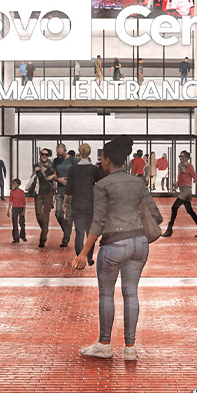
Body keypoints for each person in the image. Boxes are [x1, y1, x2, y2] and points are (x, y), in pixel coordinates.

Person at [71, 137, 160, 359]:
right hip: (139, 244)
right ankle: (130, 348)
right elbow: (155, 214)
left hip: (114, 245)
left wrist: (83, 253)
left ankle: (104, 344)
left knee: (107, 294)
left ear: (107, 159)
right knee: (131, 294)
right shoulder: (138, 183)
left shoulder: (102, 185)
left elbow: (98, 222)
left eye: (101, 157)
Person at [67, 143, 101, 266]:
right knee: (90, 232)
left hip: (77, 204)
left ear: (79, 153)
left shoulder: (73, 169)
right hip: (90, 204)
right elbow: (101, 184)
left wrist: (64, 203)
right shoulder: (94, 170)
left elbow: (68, 189)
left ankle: (79, 256)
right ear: (89, 153)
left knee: (79, 233)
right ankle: (89, 256)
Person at [166, 150, 197, 237]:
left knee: (174, 207)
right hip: (182, 190)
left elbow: (196, 178)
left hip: (186, 191)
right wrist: (177, 184)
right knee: (190, 210)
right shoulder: (180, 166)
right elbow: (182, 178)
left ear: (187, 158)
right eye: (180, 156)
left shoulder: (189, 166)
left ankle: (169, 229)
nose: (181, 158)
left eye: (183, 156)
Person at [30, 149, 59, 247]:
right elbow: (32, 177)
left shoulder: (52, 166)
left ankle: (43, 239)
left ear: (49, 155)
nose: (44, 156)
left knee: (46, 216)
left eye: (46, 154)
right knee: (38, 215)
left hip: (49, 193)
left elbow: (56, 176)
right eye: (42, 154)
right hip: (38, 193)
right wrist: (35, 171)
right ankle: (45, 229)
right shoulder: (36, 165)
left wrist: (53, 176)